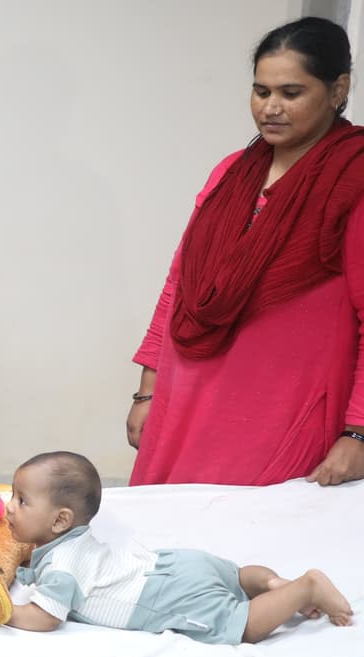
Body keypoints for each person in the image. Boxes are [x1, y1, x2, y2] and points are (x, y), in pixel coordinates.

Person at [127, 17, 364, 487]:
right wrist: (147, 393)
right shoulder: (231, 173)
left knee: (254, 551)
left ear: (339, 89)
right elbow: (179, 285)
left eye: (291, 93)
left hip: (282, 411)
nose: (271, 108)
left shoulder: (351, 181)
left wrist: (357, 431)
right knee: (169, 549)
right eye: (261, 92)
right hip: (185, 403)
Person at [4, 452, 353, 643]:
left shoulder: (62, 564)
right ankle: (274, 584)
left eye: (21, 501)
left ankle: (304, 588)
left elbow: (45, 617)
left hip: (164, 596)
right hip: (177, 564)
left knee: (240, 625)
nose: (8, 506)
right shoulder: (69, 541)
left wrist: (2, 611)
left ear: (60, 521)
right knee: (239, 577)